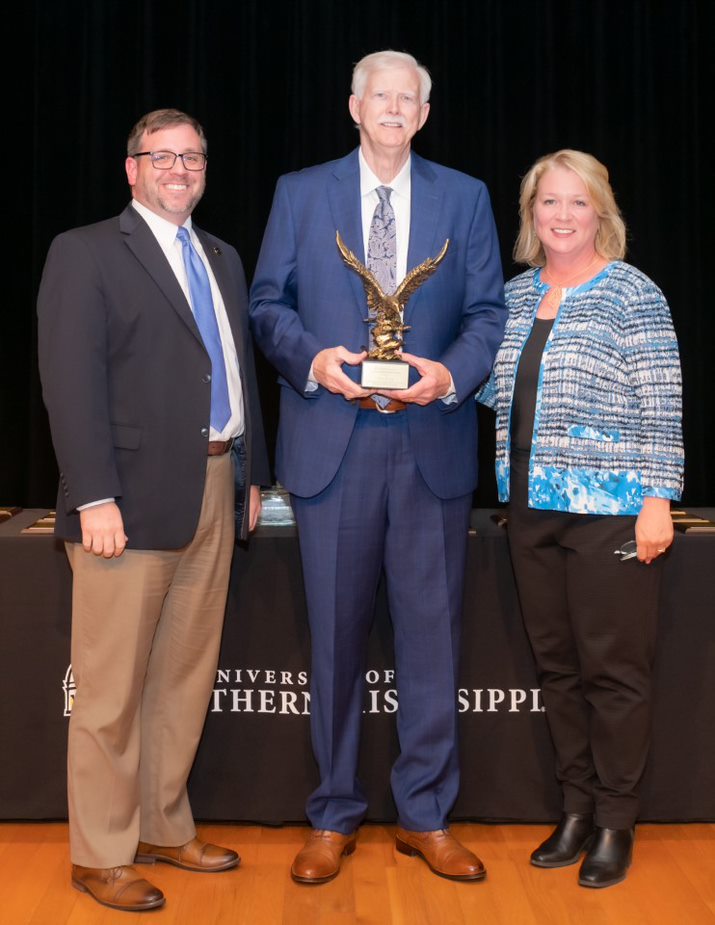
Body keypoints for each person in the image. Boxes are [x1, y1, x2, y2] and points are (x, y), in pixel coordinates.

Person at [250, 50, 505, 884]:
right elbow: (266, 305)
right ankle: (331, 813)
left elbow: (485, 311)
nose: (394, 109)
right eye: (380, 96)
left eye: (409, 99)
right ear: (354, 106)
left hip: (429, 445)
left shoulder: (463, 196)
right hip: (333, 444)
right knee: (332, 641)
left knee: (432, 641)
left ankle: (425, 815)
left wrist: (450, 376)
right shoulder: (300, 191)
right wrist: (313, 361)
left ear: (423, 115)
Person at [37, 109, 269, 912]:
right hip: (125, 501)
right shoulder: (87, 252)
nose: (179, 168)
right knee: (108, 689)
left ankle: (165, 825)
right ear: (131, 167)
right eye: (161, 155)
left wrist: (249, 474)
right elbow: (70, 384)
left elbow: (235, 374)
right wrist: (94, 493)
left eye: (193, 156)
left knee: (181, 675)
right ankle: (100, 852)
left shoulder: (222, 257)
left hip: (213, 484)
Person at [478, 149, 683, 888]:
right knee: (557, 670)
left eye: (576, 203)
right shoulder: (509, 295)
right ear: (530, 214)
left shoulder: (631, 292)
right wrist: (415, 378)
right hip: (529, 509)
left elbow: (660, 400)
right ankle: (574, 808)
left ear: (601, 212)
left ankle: (615, 821)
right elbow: (487, 388)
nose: (561, 216)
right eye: (547, 203)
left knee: (613, 673)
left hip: (612, 514)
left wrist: (657, 499)